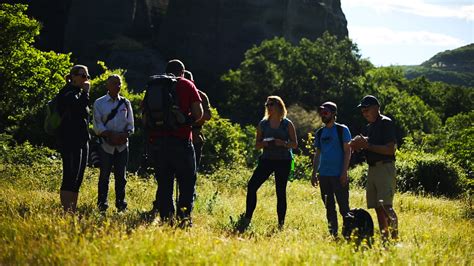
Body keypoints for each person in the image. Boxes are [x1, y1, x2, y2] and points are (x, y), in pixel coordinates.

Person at [149, 59, 203, 226]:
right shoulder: (187, 84)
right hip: (181, 142)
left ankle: (166, 219)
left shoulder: (154, 85)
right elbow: (199, 113)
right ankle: (184, 219)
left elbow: (145, 115)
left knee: (164, 183)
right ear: (182, 71)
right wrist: (186, 121)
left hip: (159, 143)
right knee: (187, 182)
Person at [239, 96, 298, 231]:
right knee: (252, 186)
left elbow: (295, 144)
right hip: (266, 160)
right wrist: (265, 143)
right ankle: (247, 218)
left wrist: (282, 143)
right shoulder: (263, 124)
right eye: (267, 105)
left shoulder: (287, 124)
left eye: (271, 104)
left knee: (280, 192)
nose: (268, 107)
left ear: (279, 106)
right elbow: (257, 145)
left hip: (284, 161)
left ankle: (281, 224)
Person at [350, 95, 399, 241]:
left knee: (386, 206)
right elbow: (370, 145)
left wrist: (367, 145)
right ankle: (385, 238)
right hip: (372, 169)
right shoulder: (369, 127)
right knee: (377, 207)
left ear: (377, 108)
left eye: (367, 109)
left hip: (385, 168)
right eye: (363, 110)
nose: (365, 113)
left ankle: (395, 239)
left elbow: (390, 150)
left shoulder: (386, 123)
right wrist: (358, 144)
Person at [93, 75, 134, 212]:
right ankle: (102, 205)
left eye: (119, 83)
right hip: (106, 144)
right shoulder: (99, 103)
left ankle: (121, 204)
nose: (118, 86)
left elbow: (131, 125)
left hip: (122, 145)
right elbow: (97, 125)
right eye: (114, 83)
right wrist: (111, 135)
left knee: (121, 177)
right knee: (104, 175)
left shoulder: (126, 103)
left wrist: (124, 135)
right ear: (108, 86)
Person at [311, 101, 352, 238]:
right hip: (324, 176)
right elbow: (318, 154)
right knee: (329, 208)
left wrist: (344, 172)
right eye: (321, 112)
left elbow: (348, 151)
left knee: (344, 208)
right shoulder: (320, 132)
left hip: (338, 175)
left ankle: (348, 234)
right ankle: (333, 235)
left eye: (326, 112)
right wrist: (314, 173)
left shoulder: (342, 130)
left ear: (333, 114)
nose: (323, 115)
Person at [57, 65, 91, 213]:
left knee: (78, 179)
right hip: (69, 140)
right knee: (70, 176)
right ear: (73, 76)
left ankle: (72, 211)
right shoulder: (67, 92)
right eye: (82, 76)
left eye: (87, 77)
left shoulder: (78, 92)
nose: (85, 79)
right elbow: (77, 108)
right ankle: (66, 212)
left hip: (82, 140)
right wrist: (86, 93)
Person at [183, 70, 212, 170]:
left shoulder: (201, 95)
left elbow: (208, 116)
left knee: (193, 168)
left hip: (195, 135)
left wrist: (196, 111)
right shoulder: (175, 93)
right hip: (178, 135)